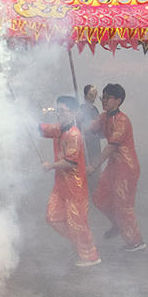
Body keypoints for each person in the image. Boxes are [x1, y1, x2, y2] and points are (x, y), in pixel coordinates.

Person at [41, 95, 99, 267]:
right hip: (60, 185)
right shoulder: (59, 129)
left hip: (75, 186)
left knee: (77, 222)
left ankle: (91, 256)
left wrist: (50, 165)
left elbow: (70, 162)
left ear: (73, 112)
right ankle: (79, 244)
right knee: (53, 217)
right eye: (57, 111)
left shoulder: (74, 134)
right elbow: (44, 129)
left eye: (62, 111)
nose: (59, 114)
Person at [89, 83, 145, 252]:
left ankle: (136, 241)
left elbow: (110, 147)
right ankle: (118, 225)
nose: (104, 101)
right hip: (113, 166)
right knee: (100, 197)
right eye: (102, 98)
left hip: (126, 168)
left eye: (107, 98)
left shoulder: (122, 120)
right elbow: (90, 128)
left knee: (123, 205)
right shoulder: (104, 116)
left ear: (118, 100)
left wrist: (94, 165)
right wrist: (79, 117)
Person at [75, 84, 102, 185]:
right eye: (91, 94)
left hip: (94, 144)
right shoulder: (80, 110)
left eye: (94, 94)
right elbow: (77, 127)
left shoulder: (95, 110)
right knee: (84, 170)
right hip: (84, 144)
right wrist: (78, 120)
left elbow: (99, 127)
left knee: (95, 171)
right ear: (85, 95)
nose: (93, 97)